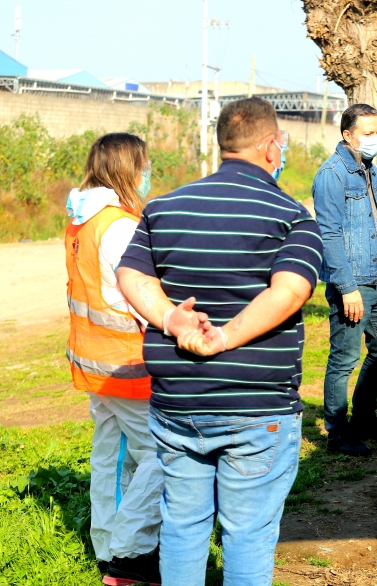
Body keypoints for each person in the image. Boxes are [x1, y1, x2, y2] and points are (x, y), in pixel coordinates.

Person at [116, 97, 323, 586]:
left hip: (178, 403)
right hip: (257, 407)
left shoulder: (162, 208)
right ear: (273, 147)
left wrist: (172, 320)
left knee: (183, 526)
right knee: (248, 532)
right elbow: (290, 291)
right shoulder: (292, 216)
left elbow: (129, 274)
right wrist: (225, 337)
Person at [64, 133, 164, 585]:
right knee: (161, 453)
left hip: (91, 361)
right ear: (127, 169)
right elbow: (137, 297)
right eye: (143, 166)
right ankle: (129, 554)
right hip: (125, 364)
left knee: (110, 455)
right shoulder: (119, 225)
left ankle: (107, 547)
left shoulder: (80, 219)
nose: (147, 174)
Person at [312, 103, 377, 457]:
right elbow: (329, 235)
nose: (375, 139)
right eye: (368, 133)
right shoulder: (331, 174)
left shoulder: (371, 170)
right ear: (348, 135)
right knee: (343, 359)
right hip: (353, 285)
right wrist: (347, 288)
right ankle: (337, 433)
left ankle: (364, 419)